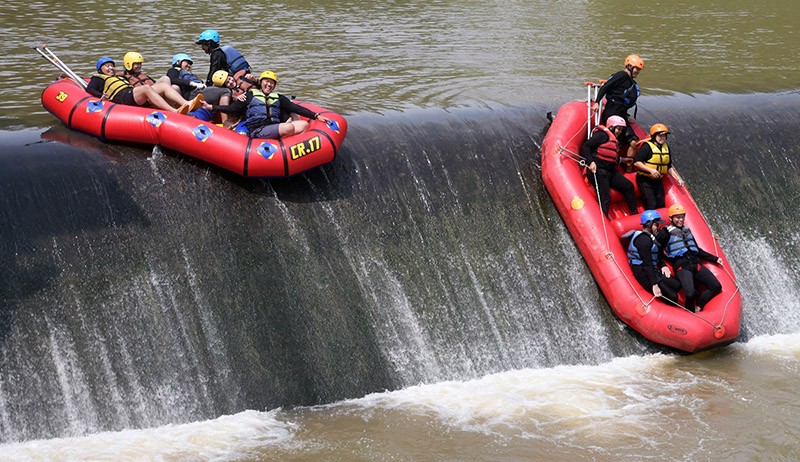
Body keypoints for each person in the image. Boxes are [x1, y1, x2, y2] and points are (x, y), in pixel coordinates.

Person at [203, 70, 330, 139]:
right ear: (261, 82)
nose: (268, 85)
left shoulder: (279, 97)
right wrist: (211, 107)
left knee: (303, 124)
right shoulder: (250, 95)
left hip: (272, 126)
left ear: (274, 86)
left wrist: (316, 115)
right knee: (288, 128)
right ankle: (277, 140)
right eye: (266, 82)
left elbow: (295, 107)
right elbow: (233, 109)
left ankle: (285, 146)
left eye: (271, 83)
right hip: (258, 129)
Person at [656, 204, 723, 312]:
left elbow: (696, 249)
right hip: (682, 266)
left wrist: (714, 258)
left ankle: (699, 306)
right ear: (671, 219)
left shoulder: (687, 230)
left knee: (716, 286)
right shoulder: (665, 232)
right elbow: (656, 251)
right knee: (690, 293)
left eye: (682, 217)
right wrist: (663, 265)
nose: (680, 219)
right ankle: (690, 313)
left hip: (696, 263)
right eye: (677, 217)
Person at [87, 57, 203, 114]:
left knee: (163, 85)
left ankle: (186, 103)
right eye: (107, 66)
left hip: (130, 94)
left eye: (112, 66)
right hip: (121, 97)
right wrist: (101, 95)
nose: (111, 68)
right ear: (100, 69)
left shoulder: (117, 77)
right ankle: (173, 111)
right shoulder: (98, 78)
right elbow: (89, 88)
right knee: (146, 88)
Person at [581, 115, 638, 218]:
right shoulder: (602, 135)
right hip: (598, 171)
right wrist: (591, 162)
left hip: (610, 171)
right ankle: (602, 220)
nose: (619, 132)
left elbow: (610, 157)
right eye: (618, 129)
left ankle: (635, 213)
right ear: (611, 127)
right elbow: (586, 146)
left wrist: (621, 160)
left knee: (628, 186)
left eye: (621, 130)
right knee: (606, 197)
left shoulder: (614, 141)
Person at [594, 54, 645, 159]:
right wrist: (597, 102)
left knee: (633, 142)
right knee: (615, 141)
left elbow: (623, 100)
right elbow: (605, 88)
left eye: (639, 70)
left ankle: (628, 167)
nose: (638, 72)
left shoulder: (630, 81)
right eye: (637, 69)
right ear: (630, 67)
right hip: (612, 113)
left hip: (621, 115)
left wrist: (626, 116)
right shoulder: (621, 75)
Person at [627, 210, 681, 304]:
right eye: (656, 225)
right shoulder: (643, 240)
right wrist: (654, 284)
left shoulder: (650, 237)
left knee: (677, 285)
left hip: (653, 270)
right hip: (643, 273)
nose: (658, 227)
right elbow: (648, 264)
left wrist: (663, 265)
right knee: (672, 296)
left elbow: (655, 254)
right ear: (648, 224)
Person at [166, 53, 233, 122]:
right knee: (225, 91)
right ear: (178, 62)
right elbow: (172, 79)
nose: (189, 65)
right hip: (193, 94)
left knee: (224, 89)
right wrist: (191, 83)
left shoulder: (189, 74)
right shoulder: (174, 70)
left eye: (190, 64)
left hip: (200, 91)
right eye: (187, 62)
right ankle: (225, 122)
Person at [633, 123, 685, 209]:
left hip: (658, 180)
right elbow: (636, 162)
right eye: (660, 136)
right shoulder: (647, 147)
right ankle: (650, 220)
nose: (662, 138)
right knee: (651, 203)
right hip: (645, 180)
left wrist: (678, 179)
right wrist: (651, 170)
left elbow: (668, 166)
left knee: (661, 204)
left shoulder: (666, 147)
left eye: (664, 136)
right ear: (654, 136)